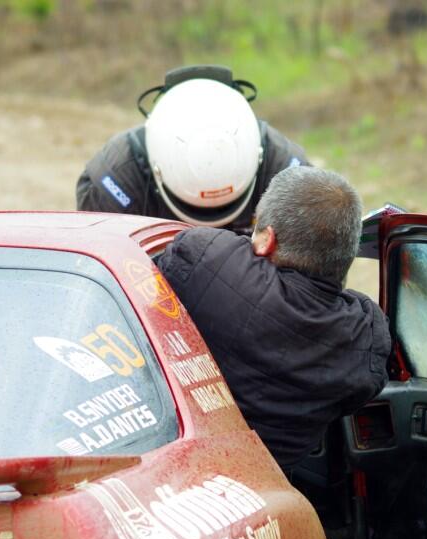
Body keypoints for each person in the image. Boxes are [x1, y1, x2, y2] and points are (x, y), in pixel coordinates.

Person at [155, 166, 391, 471]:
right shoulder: (364, 342)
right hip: (265, 488)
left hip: (177, 471)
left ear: (267, 240)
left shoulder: (204, 258)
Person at [76, 65, 309, 235]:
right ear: (156, 168)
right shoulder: (114, 182)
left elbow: (314, 288)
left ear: (258, 157)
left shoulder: (291, 178)